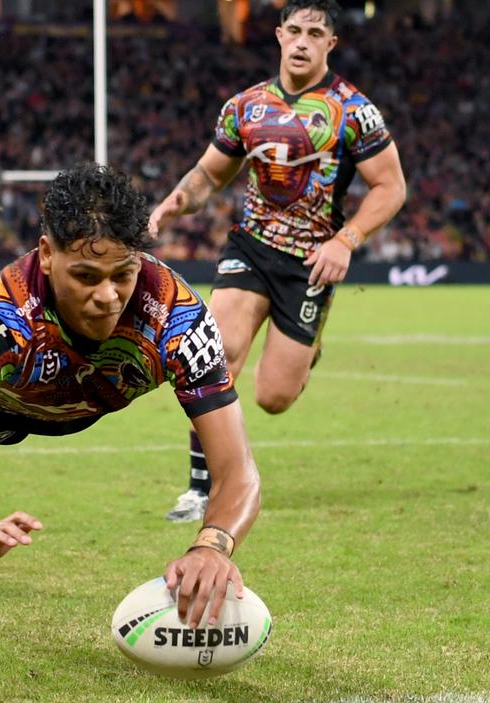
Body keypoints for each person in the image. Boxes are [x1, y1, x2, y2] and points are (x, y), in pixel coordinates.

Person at [0, 162, 261, 628]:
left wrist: (212, 546)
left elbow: (237, 469)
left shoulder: (179, 319)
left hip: (83, 401)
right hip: (9, 393)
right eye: (86, 276)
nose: (108, 296)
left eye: (123, 274)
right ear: (46, 254)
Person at [148, 0, 407, 522]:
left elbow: (392, 186)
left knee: (274, 397)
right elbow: (208, 176)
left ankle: (305, 353)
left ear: (331, 44)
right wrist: (173, 204)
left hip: (311, 261)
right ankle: (202, 488)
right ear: (278, 36)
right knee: (214, 356)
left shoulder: (354, 111)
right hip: (251, 249)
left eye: (315, 32)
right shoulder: (245, 106)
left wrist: (346, 240)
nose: (303, 40)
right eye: (294, 30)